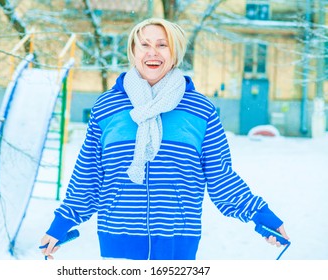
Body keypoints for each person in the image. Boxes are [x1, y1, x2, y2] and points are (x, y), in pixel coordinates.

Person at [40, 18, 289, 260]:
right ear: (133, 51)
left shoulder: (200, 110)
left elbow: (221, 177)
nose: (153, 52)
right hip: (118, 240)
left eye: (162, 45)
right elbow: (89, 175)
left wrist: (261, 215)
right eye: (145, 45)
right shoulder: (107, 107)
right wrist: (60, 224)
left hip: (177, 243)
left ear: (175, 52)